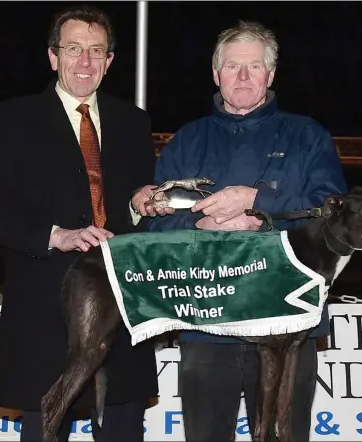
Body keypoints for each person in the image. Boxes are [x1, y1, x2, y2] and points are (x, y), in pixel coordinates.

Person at [147, 20, 348, 442]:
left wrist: (257, 201)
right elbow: (156, 220)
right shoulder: (186, 141)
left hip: (287, 325)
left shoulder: (308, 137)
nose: (242, 77)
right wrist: (198, 223)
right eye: (233, 66)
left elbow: (332, 213)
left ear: (270, 75)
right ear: (216, 73)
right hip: (207, 326)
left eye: (254, 67)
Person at [0, 4, 160, 441]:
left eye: (96, 50)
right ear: (53, 56)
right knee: (44, 427)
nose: (85, 62)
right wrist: (56, 235)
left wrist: (140, 207)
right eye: (74, 49)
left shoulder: (133, 122)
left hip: (119, 307)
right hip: (45, 310)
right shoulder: (12, 119)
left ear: (110, 61)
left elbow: (131, 206)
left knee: (123, 428)